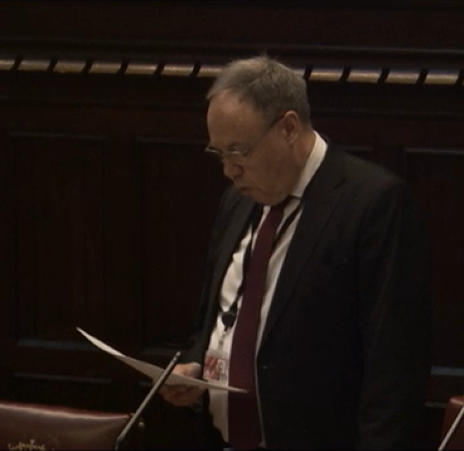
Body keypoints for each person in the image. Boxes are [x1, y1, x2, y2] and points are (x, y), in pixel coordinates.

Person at [159, 55, 430, 449]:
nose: (228, 171)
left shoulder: (373, 204)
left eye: (239, 152)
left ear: (288, 127)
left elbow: (395, 368)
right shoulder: (236, 203)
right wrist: (196, 364)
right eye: (219, 154)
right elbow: (216, 319)